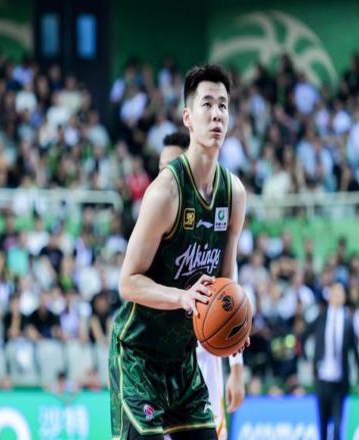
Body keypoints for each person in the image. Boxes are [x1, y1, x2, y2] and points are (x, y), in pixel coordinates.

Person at [109, 64, 247, 440]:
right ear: (188, 117)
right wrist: (182, 297)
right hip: (138, 356)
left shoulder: (234, 194)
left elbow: (226, 277)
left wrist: (236, 325)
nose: (216, 113)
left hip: (183, 361)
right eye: (207, 104)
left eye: (223, 105)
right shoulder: (165, 192)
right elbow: (127, 282)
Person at [159, 132, 245, 440]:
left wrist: (237, 366)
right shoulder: (153, 218)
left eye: (172, 166)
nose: (165, 175)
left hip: (203, 361)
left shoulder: (214, 218)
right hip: (161, 365)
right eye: (161, 168)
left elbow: (230, 292)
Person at [302, 283, 359, 440]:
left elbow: (354, 350)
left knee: (337, 425)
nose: (337, 297)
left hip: (340, 380)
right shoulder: (321, 318)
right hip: (322, 378)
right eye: (335, 294)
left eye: (340, 294)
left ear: (344, 298)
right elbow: (302, 337)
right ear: (329, 296)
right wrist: (308, 360)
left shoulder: (348, 321)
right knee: (323, 423)